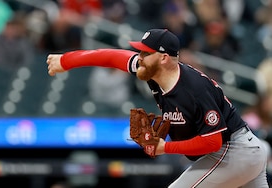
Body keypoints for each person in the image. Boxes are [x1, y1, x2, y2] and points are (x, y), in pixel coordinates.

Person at [46, 28, 269, 187]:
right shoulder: (152, 72)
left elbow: (213, 141)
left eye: (145, 53)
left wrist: (165, 148)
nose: (139, 57)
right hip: (243, 153)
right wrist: (66, 61)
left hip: (234, 151)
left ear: (163, 58)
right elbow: (111, 56)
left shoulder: (193, 88)